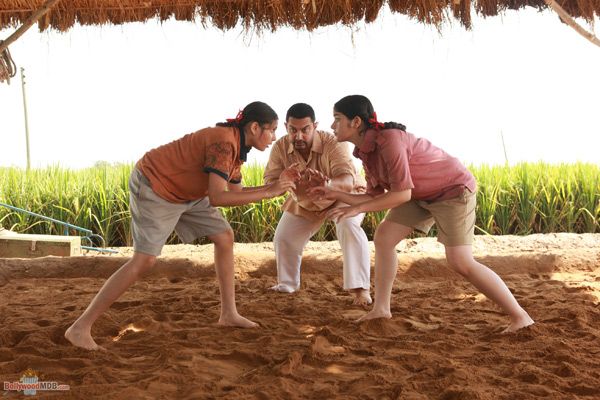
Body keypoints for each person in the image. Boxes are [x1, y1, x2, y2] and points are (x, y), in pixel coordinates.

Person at [65, 101, 296, 350]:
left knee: (224, 236)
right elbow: (218, 197)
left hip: (188, 193)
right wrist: (270, 191)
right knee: (144, 260)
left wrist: (276, 188)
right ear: (254, 127)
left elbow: (236, 192)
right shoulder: (224, 143)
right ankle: (79, 328)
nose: (274, 137)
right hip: (155, 184)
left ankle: (229, 314)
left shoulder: (238, 149)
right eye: (272, 130)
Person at [308, 95, 534, 332]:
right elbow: (375, 196)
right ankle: (381, 308)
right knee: (384, 237)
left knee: (460, 261)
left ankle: (520, 317)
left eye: (337, 119)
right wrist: (334, 193)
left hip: (452, 190)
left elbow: (400, 194)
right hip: (418, 194)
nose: (332, 125)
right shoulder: (363, 150)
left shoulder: (389, 140)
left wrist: (356, 208)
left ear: (355, 122)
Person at [264, 103, 372, 305]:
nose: (298, 136)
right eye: (293, 130)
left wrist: (327, 185)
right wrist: (283, 180)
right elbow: (270, 184)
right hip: (306, 200)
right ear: (286, 127)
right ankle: (287, 285)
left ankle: (361, 290)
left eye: (305, 130)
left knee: (348, 225)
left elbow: (347, 181)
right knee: (284, 237)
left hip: (343, 196)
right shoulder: (280, 147)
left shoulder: (334, 141)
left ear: (314, 126)